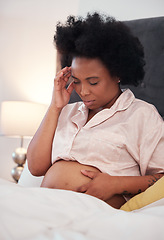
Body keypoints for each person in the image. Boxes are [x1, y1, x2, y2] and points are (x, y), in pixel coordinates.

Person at [27, 12, 164, 209]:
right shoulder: (67, 112)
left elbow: (162, 179)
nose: (83, 91)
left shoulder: (141, 115)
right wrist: (55, 107)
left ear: (117, 74)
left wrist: (116, 184)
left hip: (95, 217)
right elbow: (35, 167)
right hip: (47, 206)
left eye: (93, 82)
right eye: (76, 81)